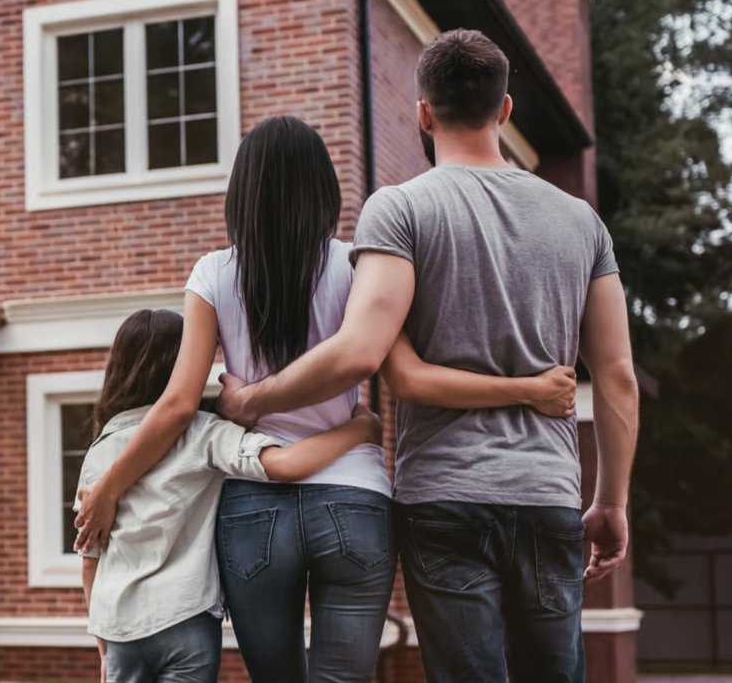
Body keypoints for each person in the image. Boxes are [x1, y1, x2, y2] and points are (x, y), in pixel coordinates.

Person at [75, 115, 580, 682]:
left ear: (241, 191)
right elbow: (402, 370)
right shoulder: (358, 265)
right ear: (324, 189)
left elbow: (175, 406)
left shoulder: (213, 274)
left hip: (254, 506)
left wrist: (109, 487)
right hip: (353, 498)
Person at [215, 30, 641, 683]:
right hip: (546, 494)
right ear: (504, 111)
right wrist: (611, 500)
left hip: (442, 498)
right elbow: (616, 377)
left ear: (422, 111)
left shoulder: (400, 209)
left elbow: (361, 353)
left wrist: (252, 398)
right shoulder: (581, 221)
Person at [80, 308, 382, 683]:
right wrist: (361, 428)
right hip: (185, 619)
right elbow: (284, 464)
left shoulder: (99, 450)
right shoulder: (203, 433)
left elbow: (91, 558)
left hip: (118, 625)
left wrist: (101, 640)